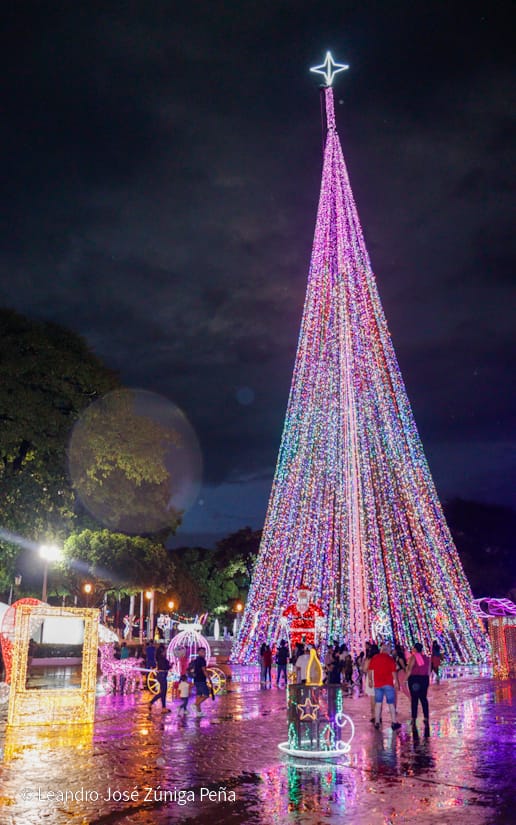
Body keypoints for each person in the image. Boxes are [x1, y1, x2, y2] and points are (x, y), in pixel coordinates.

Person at [368, 642, 401, 731]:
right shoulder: (390, 659)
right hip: (388, 684)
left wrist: (370, 681)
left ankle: (377, 722)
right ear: (388, 651)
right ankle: (394, 722)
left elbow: (370, 670)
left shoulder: (375, 658)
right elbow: (393, 672)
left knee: (378, 703)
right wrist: (397, 682)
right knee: (391, 703)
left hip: (377, 684)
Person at [406, 642, 431, 736]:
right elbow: (428, 670)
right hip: (424, 679)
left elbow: (409, 669)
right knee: (423, 698)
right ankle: (426, 717)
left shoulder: (414, 657)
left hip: (415, 679)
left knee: (415, 699)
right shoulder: (426, 658)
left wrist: (405, 679)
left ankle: (413, 718)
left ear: (415, 649)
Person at [149, 645, 171, 713]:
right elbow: (166, 667)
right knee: (163, 692)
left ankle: (163, 707)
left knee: (163, 692)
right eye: (165, 650)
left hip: (161, 675)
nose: (166, 651)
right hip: (162, 675)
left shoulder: (160, 658)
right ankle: (152, 702)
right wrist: (170, 666)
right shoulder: (162, 659)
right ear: (162, 652)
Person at [191, 649, 212, 717]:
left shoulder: (196, 660)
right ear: (198, 652)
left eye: (204, 652)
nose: (204, 653)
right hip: (201, 679)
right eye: (202, 652)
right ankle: (195, 705)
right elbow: (204, 670)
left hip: (196, 679)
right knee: (206, 694)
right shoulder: (202, 660)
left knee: (199, 695)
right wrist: (209, 678)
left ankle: (199, 712)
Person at [362, 643, 380, 722]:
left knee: (373, 698)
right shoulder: (380, 658)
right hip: (379, 677)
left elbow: (365, 669)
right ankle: (379, 715)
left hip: (371, 677)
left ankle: (374, 716)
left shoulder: (369, 659)